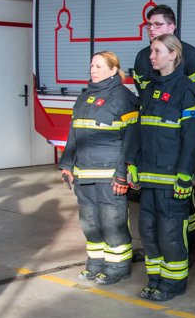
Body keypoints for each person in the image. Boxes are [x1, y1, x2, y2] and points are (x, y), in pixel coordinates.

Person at [133, 4, 195, 268]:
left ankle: (186, 251)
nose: (151, 29)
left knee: (181, 210)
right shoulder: (142, 57)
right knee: (152, 218)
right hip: (154, 148)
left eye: (158, 24)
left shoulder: (193, 57)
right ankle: (162, 254)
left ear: (172, 27)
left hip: (180, 145)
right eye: (149, 25)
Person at [127, 34, 195, 301]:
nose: (151, 56)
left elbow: (191, 138)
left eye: (157, 51)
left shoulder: (186, 90)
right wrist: (132, 163)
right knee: (148, 231)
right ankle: (155, 280)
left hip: (171, 178)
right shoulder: (149, 89)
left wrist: (184, 175)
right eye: (151, 51)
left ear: (173, 55)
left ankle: (173, 284)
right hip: (148, 176)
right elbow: (139, 129)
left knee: (170, 234)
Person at [59, 51, 139, 285]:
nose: (93, 70)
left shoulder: (124, 98)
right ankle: (95, 263)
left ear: (113, 70)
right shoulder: (84, 98)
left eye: (99, 66)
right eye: (92, 66)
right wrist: (67, 164)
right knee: (90, 222)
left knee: (113, 222)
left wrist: (122, 174)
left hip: (110, 177)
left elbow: (132, 140)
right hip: (84, 175)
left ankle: (118, 267)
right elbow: (73, 134)